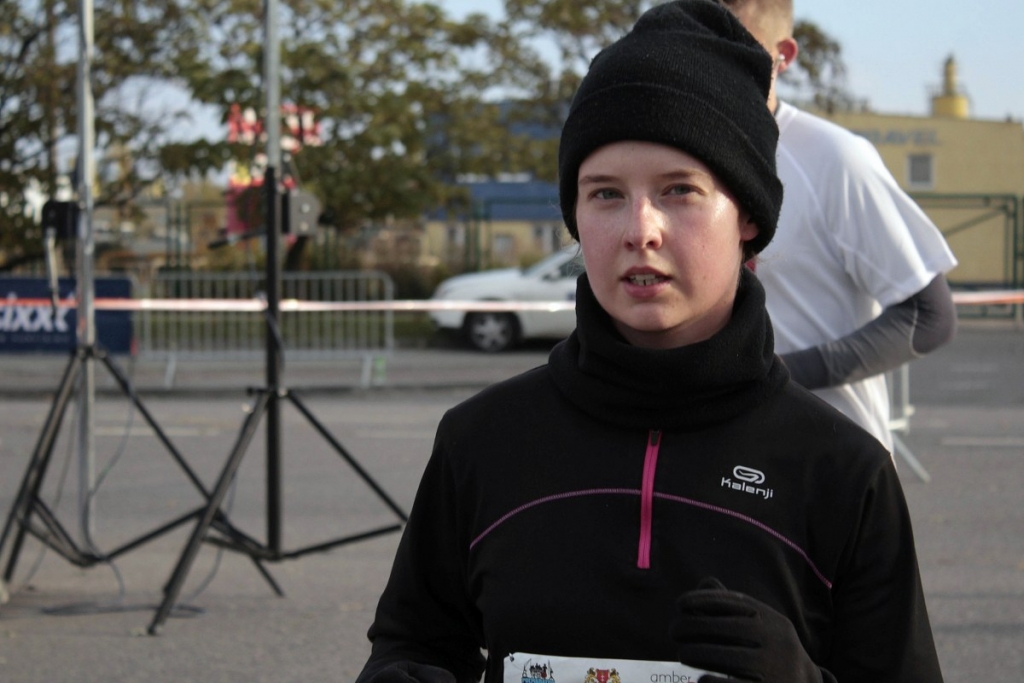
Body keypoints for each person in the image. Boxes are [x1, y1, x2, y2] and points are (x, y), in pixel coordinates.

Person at [355, 2, 943, 682]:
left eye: (679, 190)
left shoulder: (844, 470)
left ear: (748, 215)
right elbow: (412, 642)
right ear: (575, 215)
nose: (641, 229)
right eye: (605, 194)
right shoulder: (481, 441)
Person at [721, 0, 959, 453]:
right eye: (702, 42)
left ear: (783, 55)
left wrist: (777, 374)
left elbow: (930, 316)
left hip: (834, 456)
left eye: (738, 44)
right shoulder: (679, 159)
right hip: (722, 454)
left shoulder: (835, 158)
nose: (717, 60)